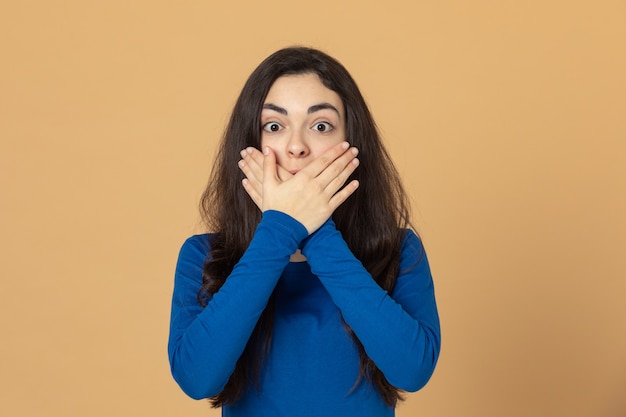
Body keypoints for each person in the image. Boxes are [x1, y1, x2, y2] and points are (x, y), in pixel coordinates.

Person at [168, 46, 441, 417]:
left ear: (352, 145)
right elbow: (197, 379)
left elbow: (413, 370)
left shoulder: (399, 250)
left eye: (321, 126)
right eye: (275, 126)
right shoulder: (204, 255)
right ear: (250, 143)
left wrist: (316, 233)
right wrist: (280, 229)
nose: (296, 147)